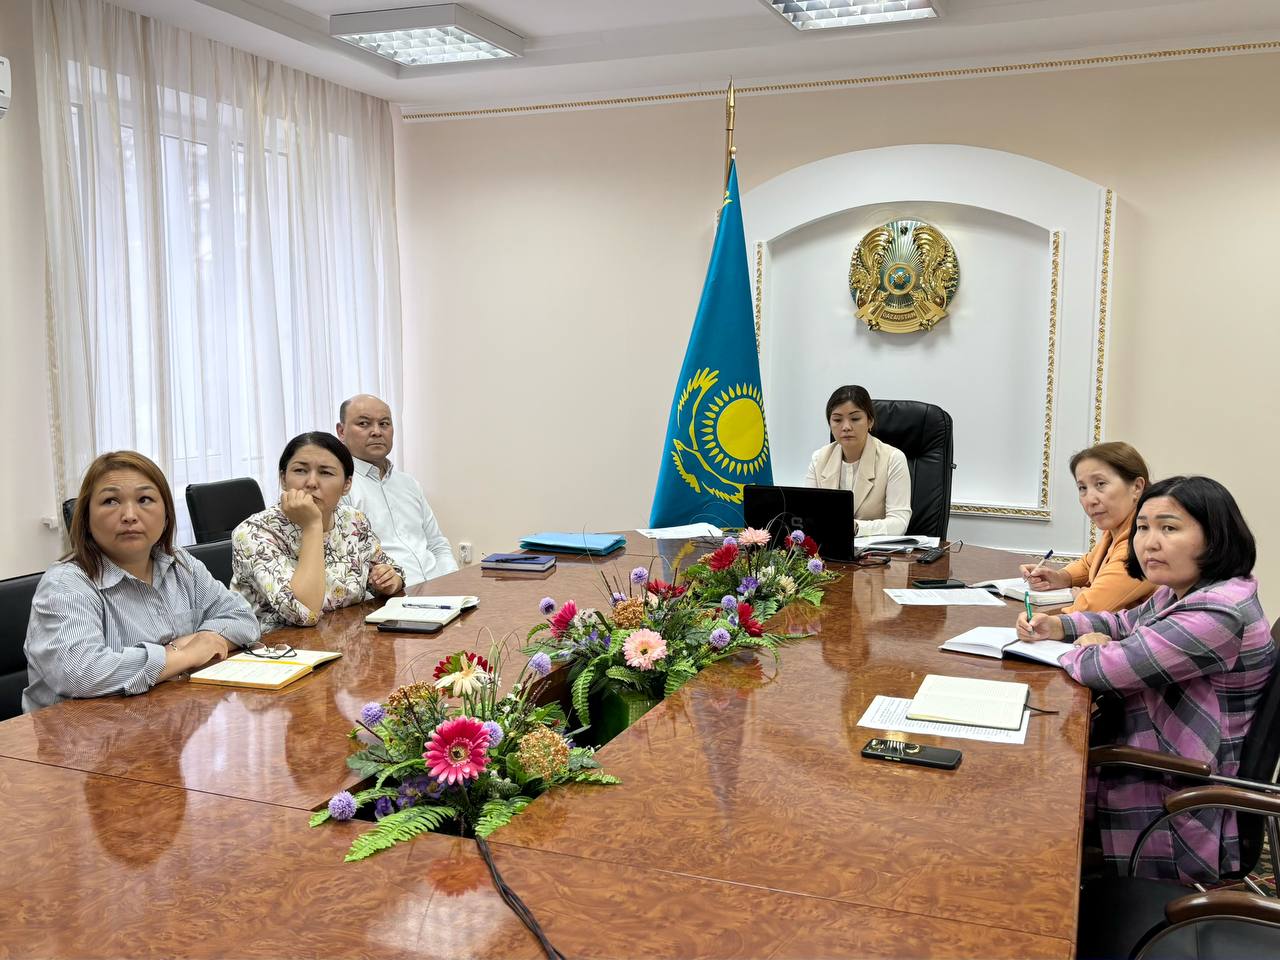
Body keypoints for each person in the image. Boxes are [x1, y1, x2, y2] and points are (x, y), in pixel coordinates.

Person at [1016, 476, 1275, 882]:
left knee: (1029, 789)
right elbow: (1124, 623)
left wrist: (1087, 648)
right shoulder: (1186, 590)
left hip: (1176, 792)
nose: (1149, 543)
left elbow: (1105, 669)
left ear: (1215, 537)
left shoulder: (1218, 613)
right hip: (1163, 755)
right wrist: (1060, 627)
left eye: (1169, 528)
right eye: (1142, 528)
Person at [23, 451, 259, 711]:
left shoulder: (180, 564)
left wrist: (201, 640)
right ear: (86, 519)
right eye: (110, 501)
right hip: (80, 731)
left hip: (163, 716)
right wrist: (183, 654)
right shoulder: (65, 584)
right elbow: (80, 672)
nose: (129, 515)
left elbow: (243, 618)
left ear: (166, 515)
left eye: (144, 499)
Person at [231, 431, 405, 632]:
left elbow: (392, 570)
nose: (311, 482)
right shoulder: (254, 533)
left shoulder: (353, 521)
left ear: (347, 484)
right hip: (282, 647)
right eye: (300, 470)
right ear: (283, 479)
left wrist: (389, 581)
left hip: (349, 640)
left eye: (326, 472)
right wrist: (312, 526)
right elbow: (304, 613)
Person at [336, 394, 458, 586]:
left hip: (439, 588)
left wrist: (453, 582)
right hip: (389, 596)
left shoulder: (408, 483)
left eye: (384, 424)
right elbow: (346, 563)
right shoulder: (339, 487)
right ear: (341, 431)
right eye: (364, 424)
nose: (377, 432)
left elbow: (437, 544)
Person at [1021, 442, 1155, 613]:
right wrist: (1061, 577)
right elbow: (1088, 564)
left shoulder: (1143, 543)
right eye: (1082, 488)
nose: (1090, 499)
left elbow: (1089, 607)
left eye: (1100, 484)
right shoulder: (1117, 529)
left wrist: (1082, 597)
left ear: (1136, 487)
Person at [803, 385, 911, 536]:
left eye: (855, 419)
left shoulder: (893, 459)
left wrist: (855, 527)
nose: (846, 427)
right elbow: (807, 515)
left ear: (870, 421)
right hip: (829, 547)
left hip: (875, 550)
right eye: (837, 420)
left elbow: (899, 523)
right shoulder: (819, 459)